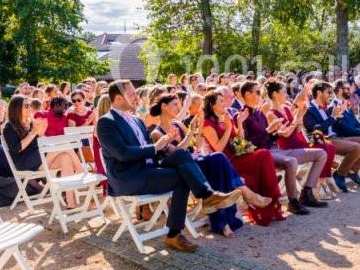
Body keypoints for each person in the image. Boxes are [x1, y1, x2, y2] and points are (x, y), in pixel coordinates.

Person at [96, 79, 241, 252]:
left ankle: (207, 196)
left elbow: (151, 150)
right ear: (119, 99)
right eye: (132, 94)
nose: (137, 97)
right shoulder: (106, 122)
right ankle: (176, 232)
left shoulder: (137, 120)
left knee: (180, 154)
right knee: (182, 178)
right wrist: (155, 146)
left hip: (148, 167)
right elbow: (122, 154)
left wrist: (164, 143)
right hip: (128, 176)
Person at [150, 94, 270, 237]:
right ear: (164, 106)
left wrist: (197, 128)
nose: (179, 108)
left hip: (193, 159)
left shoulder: (179, 125)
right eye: (175, 104)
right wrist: (190, 134)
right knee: (218, 159)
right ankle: (247, 195)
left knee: (219, 163)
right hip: (180, 168)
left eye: (179, 104)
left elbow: (197, 146)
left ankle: (224, 221)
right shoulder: (157, 133)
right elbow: (177, 153)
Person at [236, 81, 326, 215]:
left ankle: (307, 193)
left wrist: (277, 133)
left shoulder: (259, 113)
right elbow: (247, 144)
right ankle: (293, 201)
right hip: (261, 154)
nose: (261, 95)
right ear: (248, 94)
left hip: (276, 149)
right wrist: (269, 131)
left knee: (321, 153)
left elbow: (272, 137)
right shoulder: (242, 116)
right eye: (258, 92)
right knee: (291, 162)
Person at [202, 90, 283, 226]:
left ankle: (272, 202)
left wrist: (239, 123)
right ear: (212, 105)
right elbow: (218, 150)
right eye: (221, 101)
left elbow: (240, 141)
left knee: (263, 155)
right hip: (227, 163)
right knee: (263, 155)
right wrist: (228, 128)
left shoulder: (226, 118)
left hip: (239, 156)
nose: (224, 104)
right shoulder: (207, 124)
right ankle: (267, 198)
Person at [3, 95, 83, 209]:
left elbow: (42, 141)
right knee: (64, 146)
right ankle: (81, 171)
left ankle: (70, 202)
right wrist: (34, 133)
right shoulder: (9, 126)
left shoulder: (31, 123)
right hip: (25, 162)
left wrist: (41, 133)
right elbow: (17, 148)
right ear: (17, 108)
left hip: (40, 158)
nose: (29, 108)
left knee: (66, 157)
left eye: (29, 105)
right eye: (26, 105)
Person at [304, 81, 360, 191]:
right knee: (357, 147)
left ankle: (351, 171)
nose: (331, 95)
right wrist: (333, 117)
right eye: (328, 92)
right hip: (326, 140)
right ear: (319, 93)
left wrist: (337, 115)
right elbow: (316, 129)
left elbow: (347, 125)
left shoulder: (327, 107)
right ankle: (340, 174)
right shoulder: (309, 109)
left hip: (339, 137)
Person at [265, 81, 336, 200]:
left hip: (298, 143)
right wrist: (296, 118)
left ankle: (311, 189)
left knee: (327, 147)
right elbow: (286, 134)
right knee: (323, 150)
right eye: (284, 92)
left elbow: (297, 129)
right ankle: (312, 189)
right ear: (275, 94)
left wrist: (301, 113)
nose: (287, 95)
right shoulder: (270, 114)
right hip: (287, 148)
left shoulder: (286, 109)